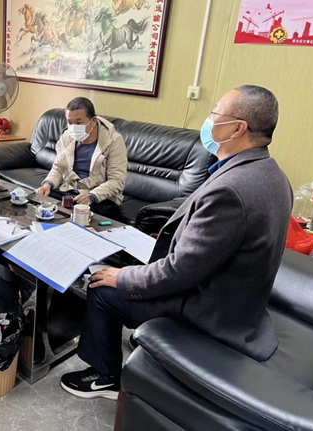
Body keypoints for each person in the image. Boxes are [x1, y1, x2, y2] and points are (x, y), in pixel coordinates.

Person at [60, 85, 293, 400]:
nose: (208, 121)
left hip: (208, 311)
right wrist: (172, 238)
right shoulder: (272, 174)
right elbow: (220, 242)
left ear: (237, 128)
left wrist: (122, 278)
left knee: (102, 287)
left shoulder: (231, 190)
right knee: (127, 261)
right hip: (235, 297)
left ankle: (106, 377)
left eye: (215, 113)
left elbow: (179, 273)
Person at [35, 97, 127, 219]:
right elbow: (59, 167)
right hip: (70, 191)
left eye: (79, 123)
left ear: (93, 120)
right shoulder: (67, 136)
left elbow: (117, 181)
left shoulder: (114, 141)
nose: (73, 128)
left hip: (99, 198)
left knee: (87, 214)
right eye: (70, 123)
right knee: (41, 201)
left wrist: (91, 197)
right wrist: (48, 184)